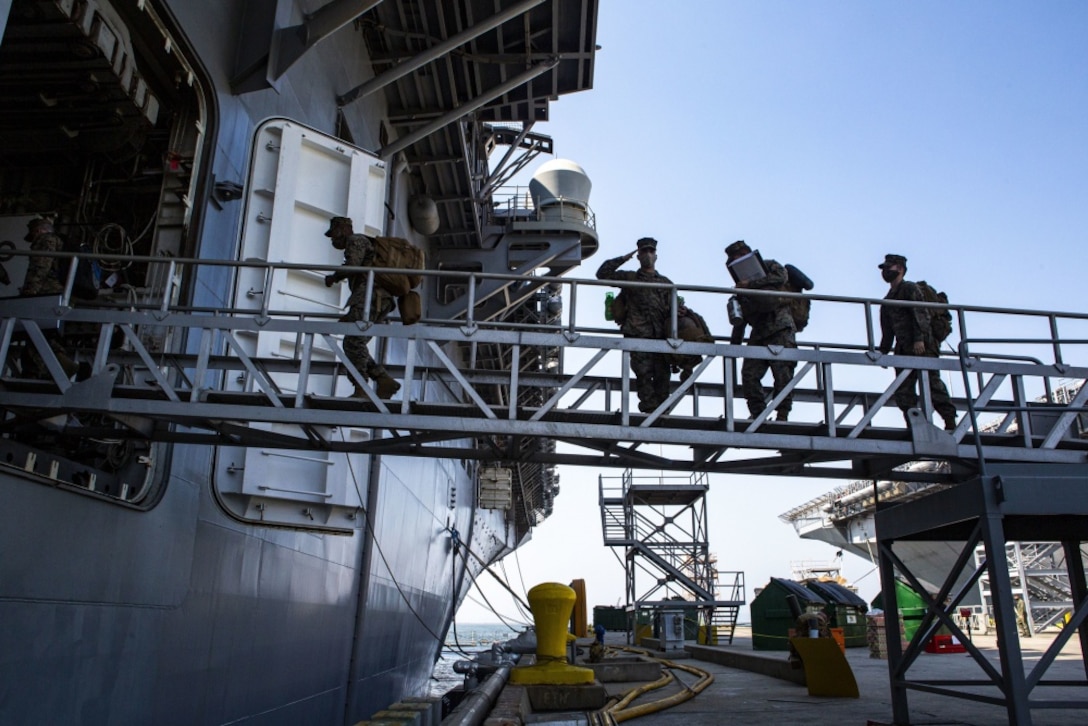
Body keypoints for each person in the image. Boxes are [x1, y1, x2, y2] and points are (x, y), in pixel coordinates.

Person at [877, 253, 957, 430]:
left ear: (900, 269)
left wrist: (919, 339)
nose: (885, 272)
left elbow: (920, 314)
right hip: (903, 346)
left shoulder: (910, 289)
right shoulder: (888, 298)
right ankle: (913, 424)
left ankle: (950, 421)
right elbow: (887, 330)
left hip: (923, 345)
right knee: (904, 390)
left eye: (888, 268)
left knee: (932, 384)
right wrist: (882, 352)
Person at [324, 216, 401, 399]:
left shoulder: (356, 240)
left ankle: (361, 388)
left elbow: (353, 266)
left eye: (334, 233)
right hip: (377, 300)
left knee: (353, 342)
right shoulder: (362, 241)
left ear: (343, 228)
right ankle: (383, 380)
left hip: (370, 298)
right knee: (356, 343)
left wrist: (334, 277)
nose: (333, 239)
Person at [596, 237, 673, 413]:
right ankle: (649, 410)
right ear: (638, 255)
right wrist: (624, 258)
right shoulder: (630, 278)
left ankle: (662, 413)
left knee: (663, 376)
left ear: (656, 255)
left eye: (651, 251)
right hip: (638, 334)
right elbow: (602, 274)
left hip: (661, 336)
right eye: (644, 251)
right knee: (644, 374)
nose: (648, 255)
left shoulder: (666, 283)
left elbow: (674, 306)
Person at [725, 240, 797, 422]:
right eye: (734, 259)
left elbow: (781, 277)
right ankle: (758, 414)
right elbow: (739, 321)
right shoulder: (741, 288)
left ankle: (782, 414)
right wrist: (733, 347)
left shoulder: (769, 266)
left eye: (741, 256)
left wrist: (751, 283)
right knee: (749, 375)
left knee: (782, 373)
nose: (738, 260)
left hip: (780, 326)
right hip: (759, 333)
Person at [19, 216, 83, 380]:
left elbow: (40, 269)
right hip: (61, 295)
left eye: (33, 234)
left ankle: (57, 367)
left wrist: (28, 295)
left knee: (35, 332)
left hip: (46, 294)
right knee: (45, 334)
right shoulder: (62, 242)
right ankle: (42, 369)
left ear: (39, 230)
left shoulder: (45, 241)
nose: (33, 239)